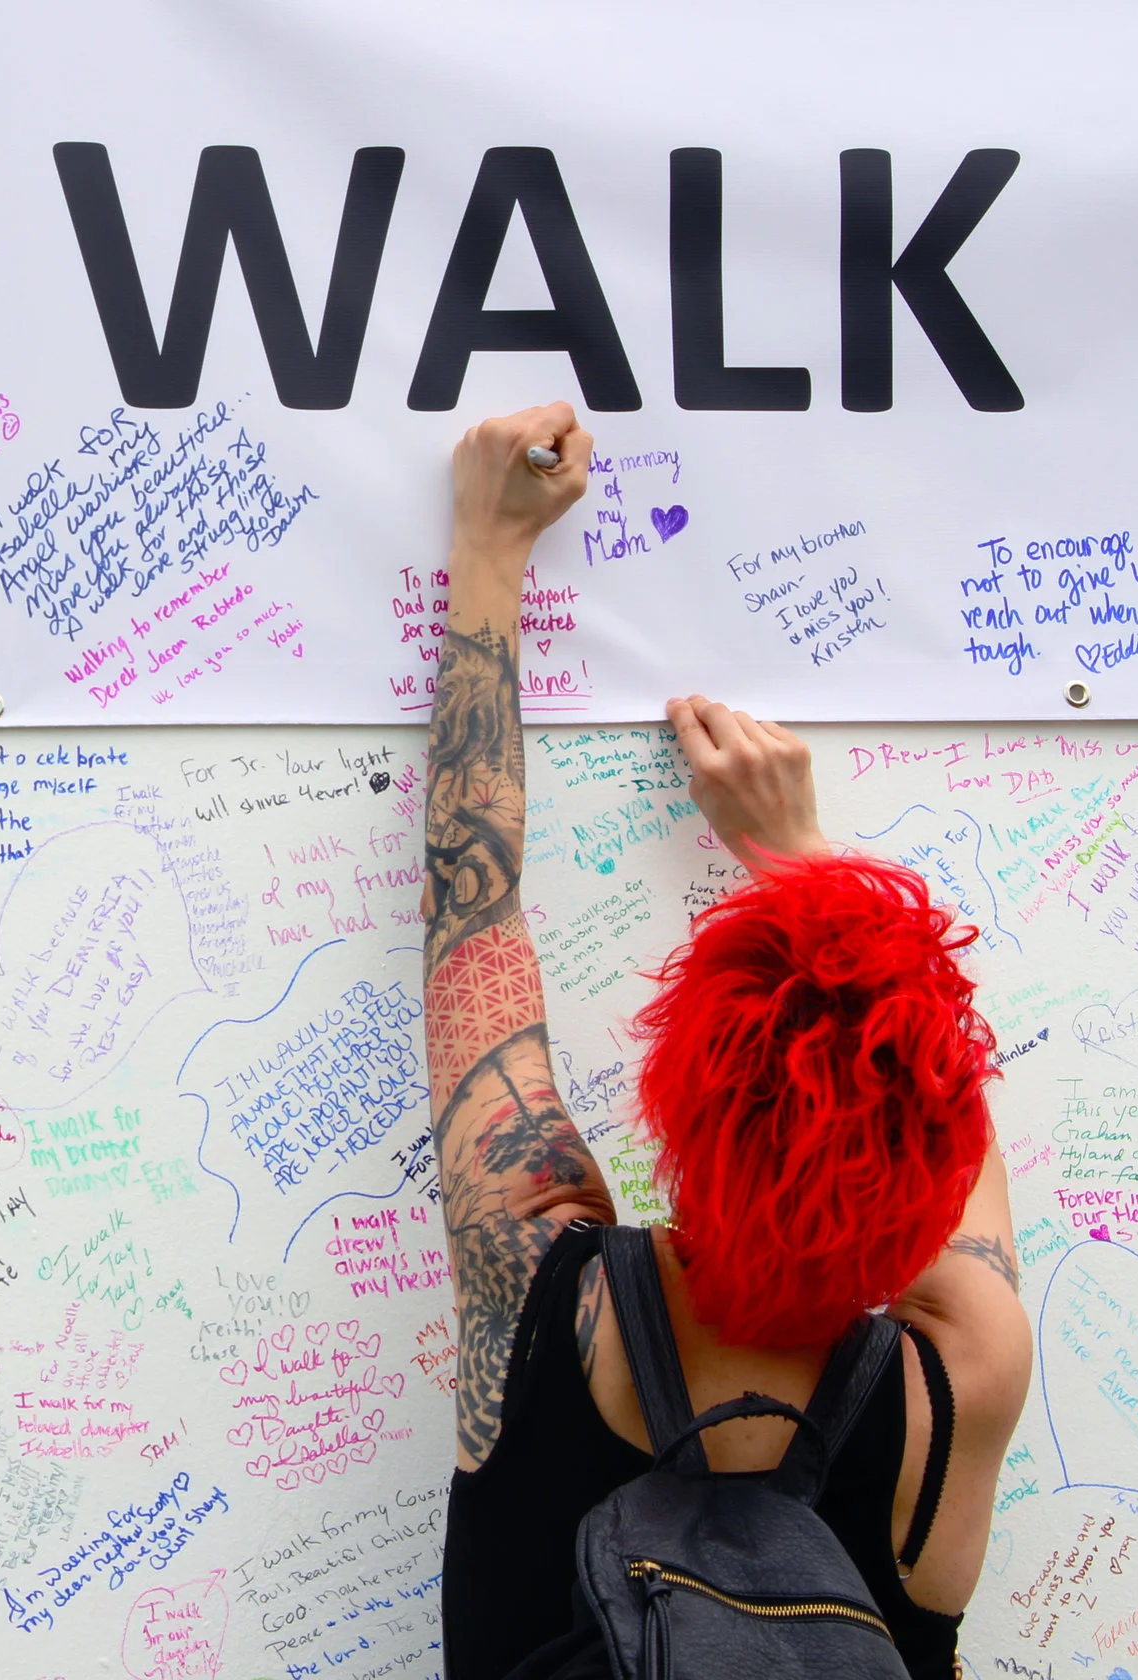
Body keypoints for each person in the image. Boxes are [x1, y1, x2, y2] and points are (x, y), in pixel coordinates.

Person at [419, 404, 1032, 1680]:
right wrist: (806, 866)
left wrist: (488, 552)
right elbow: (929, 1088)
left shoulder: (540, 1285)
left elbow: (471, 914)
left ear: (677, 1107)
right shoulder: (963, 1372)